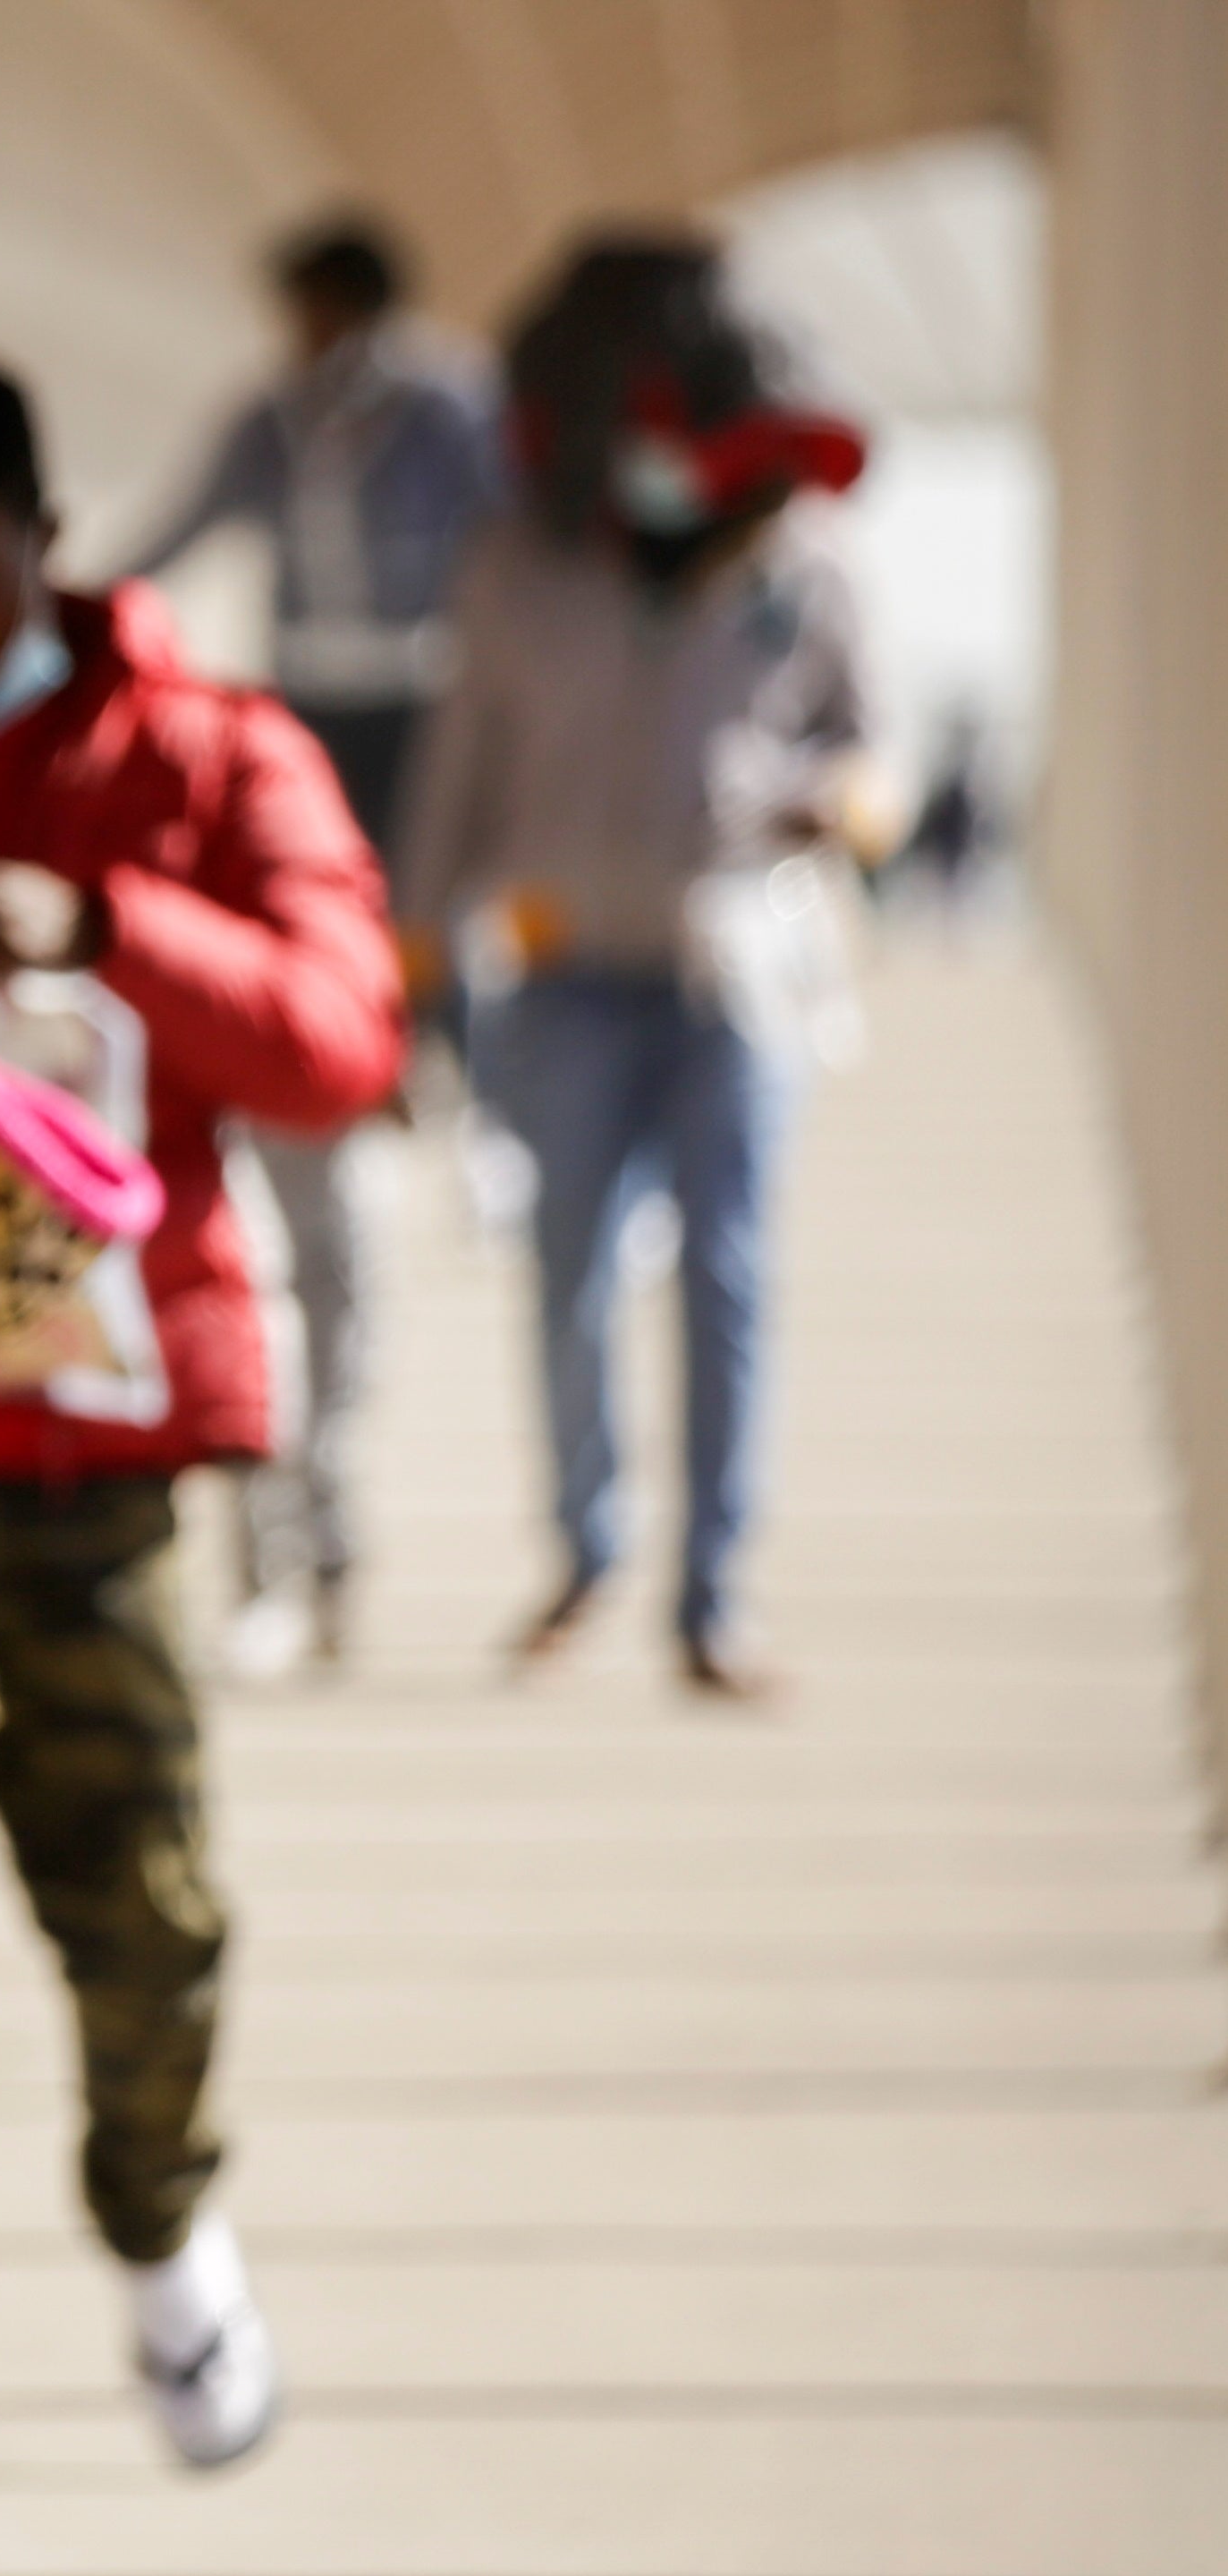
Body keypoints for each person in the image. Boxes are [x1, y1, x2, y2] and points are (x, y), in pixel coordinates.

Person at [0, 353, 406, 2503]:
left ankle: (159, 2214)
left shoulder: (204, 748)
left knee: (137, 1907)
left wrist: (112, 931)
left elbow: (335, 1040)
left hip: (93, 1453)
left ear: (40, 539)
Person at [394, 234, 871, 1699]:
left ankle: (712, 1594)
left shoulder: (801, 578)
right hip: (564, 975)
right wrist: (406, 962)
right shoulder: (516, 575)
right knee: (569, 1269)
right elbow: (457, 774)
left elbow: (875, 759)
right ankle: (586, 1548)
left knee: (728, 1274)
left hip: (735, 971)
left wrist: (836, 807)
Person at [123, 215, 504, 1672]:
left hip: (422, 685)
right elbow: (178, 525)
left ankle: (430, 1065)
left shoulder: (445, 404)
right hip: (317, 678)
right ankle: (294, 1549)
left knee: (412, 899)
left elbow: (503, 528)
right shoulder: (271, 422)